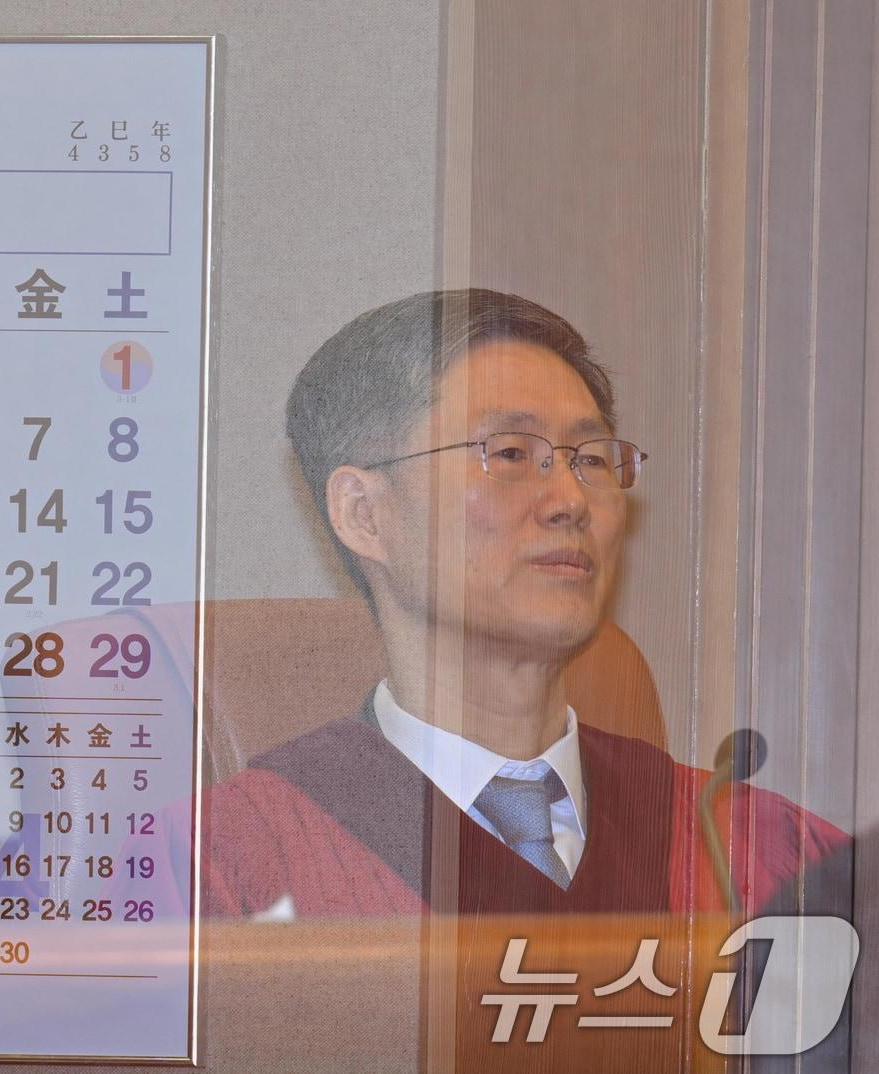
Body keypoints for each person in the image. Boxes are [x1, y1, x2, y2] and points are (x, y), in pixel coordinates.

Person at [200, 288, 847, 921]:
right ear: (364, 514)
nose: (570, 500)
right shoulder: (224, 867)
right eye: (510, 453)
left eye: (592, 459)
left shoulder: (767, 855)